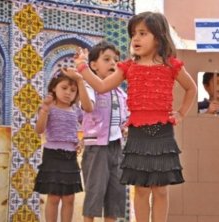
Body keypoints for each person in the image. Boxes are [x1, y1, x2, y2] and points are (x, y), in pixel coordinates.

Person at [65, 11, 197, 222]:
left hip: (162, 132)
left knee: (161, 190)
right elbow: (101, 86)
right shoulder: (128, 67)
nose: (135, 38)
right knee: (142, 189)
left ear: (159, 37)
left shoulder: (171, 65)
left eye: (143, 33)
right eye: (133, 34)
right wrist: (82, 67)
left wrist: (181, 113)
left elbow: (191, 88)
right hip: (137, 134)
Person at [34, 69, 93, 222]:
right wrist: (45, 109)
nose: (68, 93)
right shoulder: (48, 107)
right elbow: (39, 130)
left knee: (69, 198)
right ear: (54, 87)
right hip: (52, 155)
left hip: (70, 156)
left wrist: (82, 140)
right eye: (64, 88)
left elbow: (89, 125)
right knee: (53, 197)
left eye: (73, 90)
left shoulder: (76, 110)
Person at [81, 40, 128, 222]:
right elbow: (87, 106)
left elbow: (126, 117)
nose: (113, 64)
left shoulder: (121, 93)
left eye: (115, 61)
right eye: (107, 59)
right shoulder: (89, 87)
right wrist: (80, 80)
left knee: (115, 196)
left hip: (117, 148)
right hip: (97, 148)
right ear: (93, 65)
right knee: (95, 192)